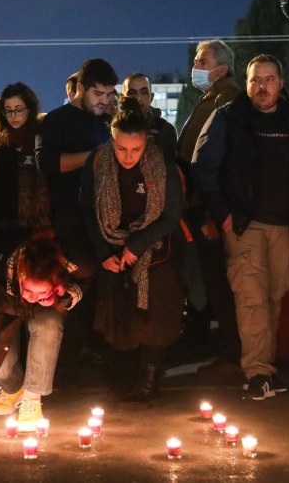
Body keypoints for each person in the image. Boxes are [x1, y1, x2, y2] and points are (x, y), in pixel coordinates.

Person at [192, 54, 289, 399]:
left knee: (274, 295)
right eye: (256, 79)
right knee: (250, 297)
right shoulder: (228, 117)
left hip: (284, 227)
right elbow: (203, 166)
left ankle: (265, 366)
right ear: (248, 83)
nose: (262, 86)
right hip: (244, 225)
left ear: (281, 84)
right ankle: (257, 372)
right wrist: (223, 214)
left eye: (269, 79)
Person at [81, 100, 184, 407]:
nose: (128, 157)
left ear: (145, 143)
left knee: (154, 319)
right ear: (112, 141)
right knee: (119, 318)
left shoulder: (160, 164)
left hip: (155, 250)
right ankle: (121, 380)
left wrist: (136, 245)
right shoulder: (97, 162)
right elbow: (87, 210)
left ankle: (149, 381)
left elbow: (171, 214)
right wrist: (103, 252)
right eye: (122, 149)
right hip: (110, 249)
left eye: (135, 150)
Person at [36, 58, 117, 386]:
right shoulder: (56, 122)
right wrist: (93, 157)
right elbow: (47, 164)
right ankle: (66, 371)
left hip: (105, 223)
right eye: (98, 93)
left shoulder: (106, 121)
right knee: (72, 298)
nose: (104, 100)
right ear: (80, 89)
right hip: (69, 221)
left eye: (110, 94)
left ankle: (101, 362)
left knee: (103, 296)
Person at [0, 224, 84, 436]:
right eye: (28, 290)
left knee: (48, 324)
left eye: (41, 292)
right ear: (19, 276)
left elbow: (88, 277)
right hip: (4, 301)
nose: (33, 298)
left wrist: (63, 296)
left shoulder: (71, 260)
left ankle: (32, 399)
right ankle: (13, 388)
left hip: (49, 305)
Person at [178, 39, 242, 375]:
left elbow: (219, 163)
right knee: (216, 284)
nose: (197, 66)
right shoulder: (213, 96)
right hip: (203, 207)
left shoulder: (227, 99)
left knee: (223, 285)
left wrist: (210, 212)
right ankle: (233, 350)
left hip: (212, 212)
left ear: (222, 67)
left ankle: (237, 354)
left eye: (203, 60)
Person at [0, 82, 50, 229]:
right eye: (8, 110)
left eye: (18, 110)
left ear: (30, 109)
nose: (13, 116)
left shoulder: (43, 139)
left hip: (38, 225)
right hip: (2, 226)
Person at [121, 72, 178, 163]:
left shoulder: (165, 130)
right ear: (122, 98)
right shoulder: (113, 129)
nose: (138, 98)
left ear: (151, 98)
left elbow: (171, 170)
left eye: (144, 93)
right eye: (132, 93)